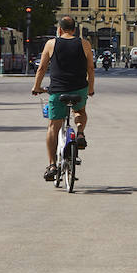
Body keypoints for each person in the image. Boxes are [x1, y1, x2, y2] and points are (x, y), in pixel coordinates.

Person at [31, 16, 94, 182]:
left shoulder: (52, 43)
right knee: (80, 111)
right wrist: (91, 88)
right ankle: (80, 133)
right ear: (74, 29)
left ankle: (52, 165)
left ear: (59, 29)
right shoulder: (84, 43)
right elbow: (90, 68)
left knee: (53, 126)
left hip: (58, 91)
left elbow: (42, 68)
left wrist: (37, 87)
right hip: (79, 89)